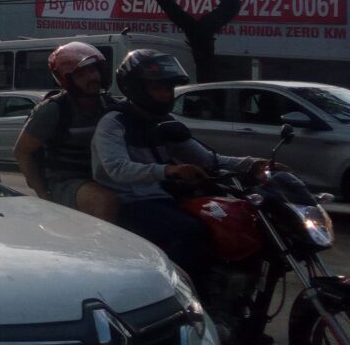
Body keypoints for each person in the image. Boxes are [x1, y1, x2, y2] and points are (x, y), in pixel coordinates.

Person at [92, 49, 269, 275]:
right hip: (131, 202)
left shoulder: (164, 122)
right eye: (158, 88)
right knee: (191, 232)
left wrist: (252, 164)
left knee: (237, 225)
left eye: (169, 88)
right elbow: (117, 169)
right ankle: (174, 292)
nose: (166, 94)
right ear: (135, 88)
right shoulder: (114, 123)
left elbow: (206, 159)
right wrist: (169, 171)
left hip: (166, 198)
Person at [13, 41, 120, 222]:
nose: (92, 77)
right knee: (105, 201)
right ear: (67, 79)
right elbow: (22, 151)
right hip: (66, 181)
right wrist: (43, 195)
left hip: (106, 177)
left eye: (93, 70)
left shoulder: (110, 107)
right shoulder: (54, 109)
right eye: (82, 74)